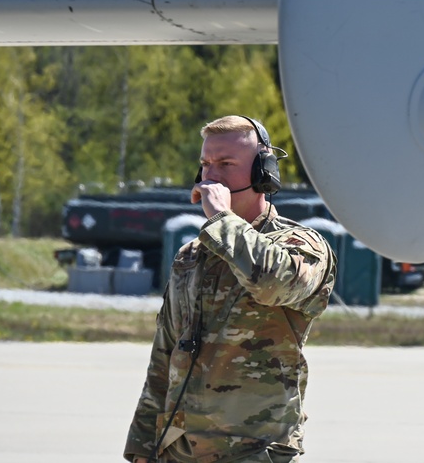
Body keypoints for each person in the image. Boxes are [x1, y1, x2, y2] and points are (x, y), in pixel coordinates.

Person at [124, 115, 337, 463]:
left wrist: (223, 219)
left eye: (225, 164)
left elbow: (273, 284)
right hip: (179, 452)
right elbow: (165, 354)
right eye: (206, 164)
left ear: (262, 172)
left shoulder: (301, 244)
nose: (211, 176)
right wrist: (142, 448)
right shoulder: (192, 256)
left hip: (255, 451)